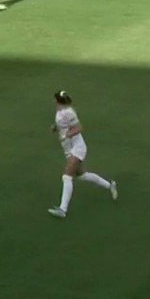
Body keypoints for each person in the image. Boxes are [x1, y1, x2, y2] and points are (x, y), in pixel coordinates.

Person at [47, 90, 118, 219]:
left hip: (77, 148)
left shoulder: (68, 112)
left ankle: (63, 209)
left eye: (55, 99)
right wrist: (55, 127)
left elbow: (79, 128)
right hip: (68, 149)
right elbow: (63, 124)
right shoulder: (61, 112)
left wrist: (67, 135)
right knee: (82, 175)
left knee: (67, 176)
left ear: (58, 101)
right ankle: (110, 185)